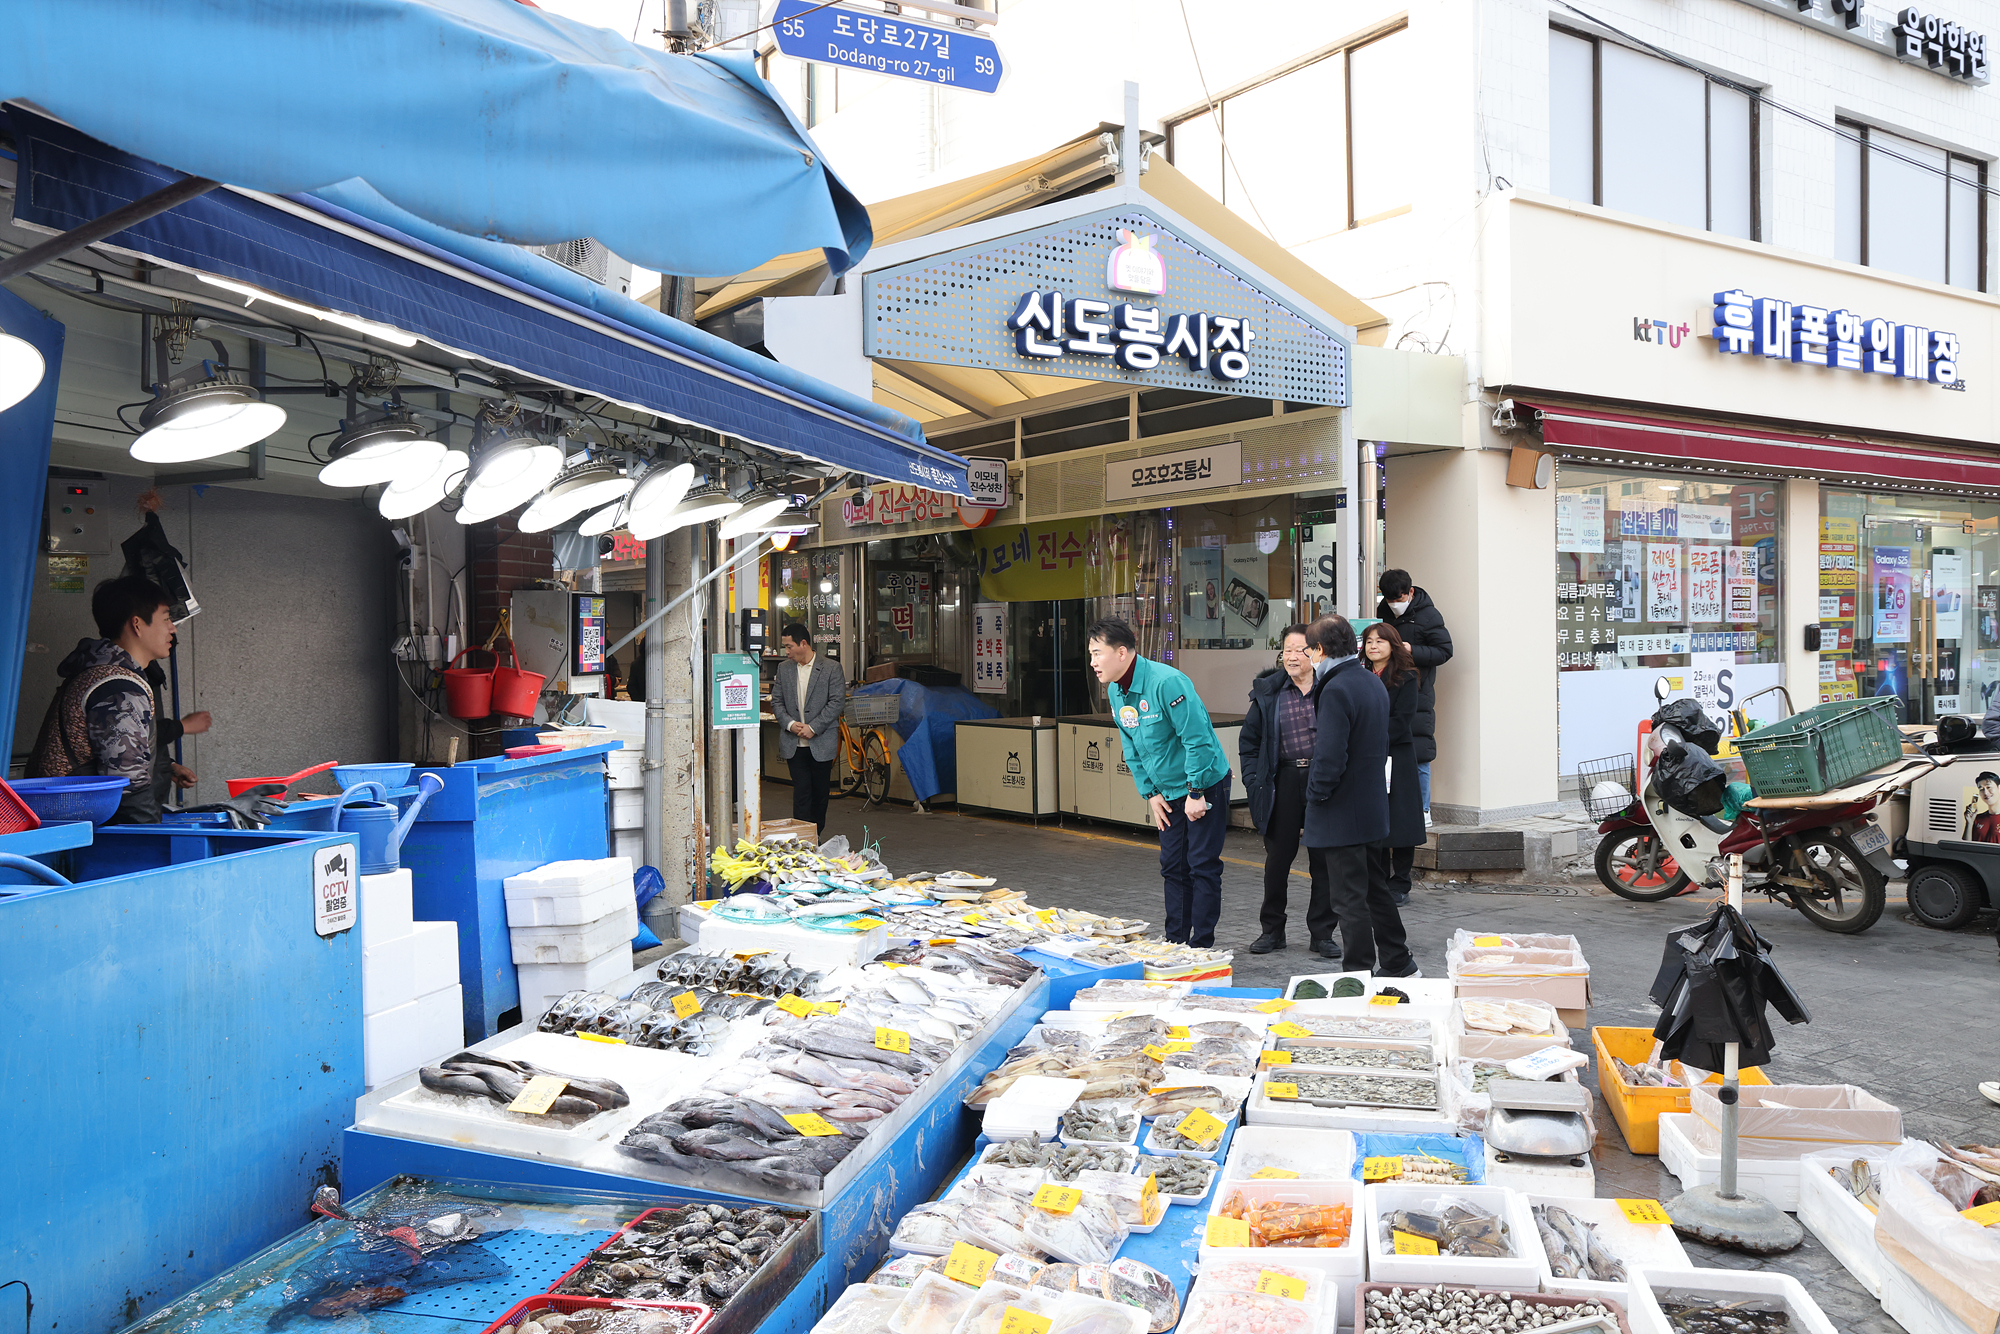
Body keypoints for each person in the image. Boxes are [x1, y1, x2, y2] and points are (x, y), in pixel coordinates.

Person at [1089, 617, 1234, 948]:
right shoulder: (1115, 690)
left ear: (1122, 652)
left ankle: (1201, 946)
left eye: (1098, 653)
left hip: (1203, 784)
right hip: (1167, 791)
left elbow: (1197, 739)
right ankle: (1175, 943)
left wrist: (1196, 791)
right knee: (1172, 866)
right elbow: (1131, 743)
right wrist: (1150, 793)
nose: (1094, 662)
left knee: (1201, 865)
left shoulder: (1167, 682)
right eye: (1091, 654)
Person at [1302, 614, 1417, 975]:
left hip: (1342, 810)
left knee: (1349, 898)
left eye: (1310, 649)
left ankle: (1357, 974)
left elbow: (1330, 755)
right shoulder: (1369, 681)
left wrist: (1315, 795)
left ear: (1320, 649)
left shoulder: (1337, 688)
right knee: (1374, 890)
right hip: (1369, 806)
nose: (1308, 657)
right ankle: (1398, 961)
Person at [28, 575, 182, 823]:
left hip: (66, 824)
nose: (172, 628)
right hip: (86, 832)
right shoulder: (118, 688)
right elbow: (128, 788)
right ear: (137, 624)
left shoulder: (99, 671)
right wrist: (150, 843)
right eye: (166, 619)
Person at [1238, 625, 1332, 954]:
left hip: (1323, 781)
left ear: (1317, 652)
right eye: (1287, 650)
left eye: (1300, 649)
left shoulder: (1331, 689)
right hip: (1284, 780)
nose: (1292, 656)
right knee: (1277, 860)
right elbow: (1248, 744)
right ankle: (1272, 930)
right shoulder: (1269, 693)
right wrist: (1253, 779)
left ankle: (1322, 933)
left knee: (1324, 862)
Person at [1375, 569, 1453, 830]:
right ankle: (1391, 805)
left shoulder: (1429, 615)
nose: (1394, 604)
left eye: (1398, 598)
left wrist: (1412, 650)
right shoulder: (1383, 611)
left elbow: (1444, 651)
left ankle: (1423, 809)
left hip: (1418, 690)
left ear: (1410, 592)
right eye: (1388, 599)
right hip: (1386, 688)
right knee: (1387, 750)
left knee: (1418, 751)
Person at [1363, 622, 1426, 908]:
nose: (1373, 646)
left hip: (1396, 756)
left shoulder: (1407, 676)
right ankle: (1377, 880)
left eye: (1380, 641)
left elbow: (1402, 721)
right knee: (1374, 819)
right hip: (1367, 758)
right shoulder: (1360, 676)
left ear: (1393, 645)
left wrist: (1366, 734)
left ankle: (1400, 882)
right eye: (1369, 642)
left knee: (1401, 821)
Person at [771, 622, 847, 835]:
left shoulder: (831, 668)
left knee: (820, 793)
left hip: (821, 742)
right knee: (802, 792)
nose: (786, 652)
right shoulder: (784, 669)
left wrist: (814, 727)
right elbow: (776, 701)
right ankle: (803, 838)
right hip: (793, 743)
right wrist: (789, 724)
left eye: (789, 646)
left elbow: (836, 702)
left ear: (803, 644)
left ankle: (815, 835)